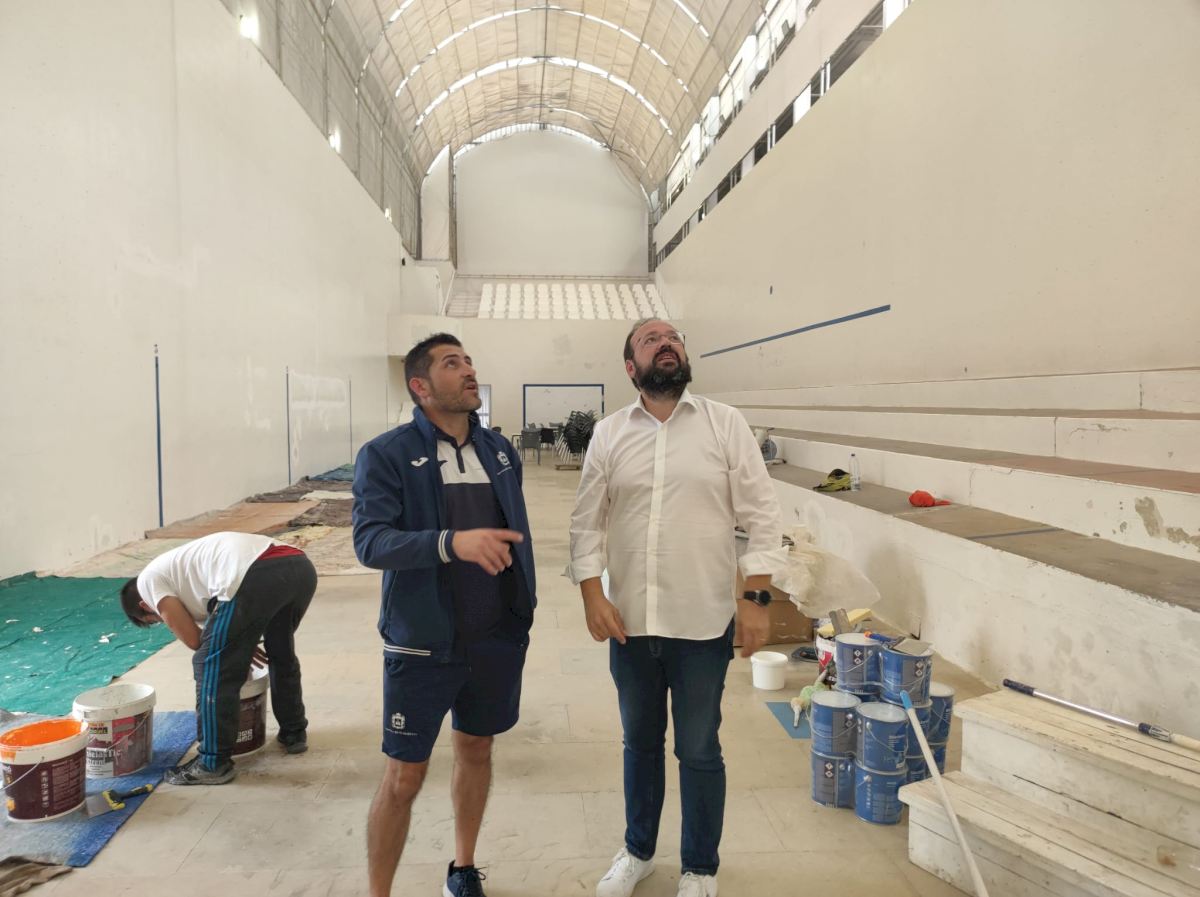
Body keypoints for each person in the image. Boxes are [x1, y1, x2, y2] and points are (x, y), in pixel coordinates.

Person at [569, 318, 786, 897]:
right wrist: (592, 593)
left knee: (698, 749)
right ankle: (638, 852)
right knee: (639, 744)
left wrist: (756, 597)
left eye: (673, 337)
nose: (666, 343)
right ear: (630, 367)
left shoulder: (724, 424)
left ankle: (699, 869)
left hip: (702, 623)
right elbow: (586, 521)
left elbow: (762, 514)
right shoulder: (610, 434)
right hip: (630, 623)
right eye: (650, 339)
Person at [352, 333, 536, 897]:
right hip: (423, 642)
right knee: (404, 776)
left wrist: (521, 608)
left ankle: (463, 868)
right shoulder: (386, 454)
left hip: (494, 638)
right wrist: (450, 543)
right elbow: (370, 543)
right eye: (452, 364)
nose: (469, 370)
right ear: (421, 386)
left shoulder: (499, 451)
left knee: (476, 749)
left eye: (469, 361)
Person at [120, 531, 317, 784]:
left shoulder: (148, 582)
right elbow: (226, 629)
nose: (164, 620)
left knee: (208, 663)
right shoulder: (186, 574)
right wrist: (239, 643)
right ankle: (294, 732)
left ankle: (212, 763)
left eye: (156, 619)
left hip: (254, 573)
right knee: (279, 652)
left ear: (145, 606)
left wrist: (234, 646)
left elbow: (194, 640)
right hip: (298, 567)